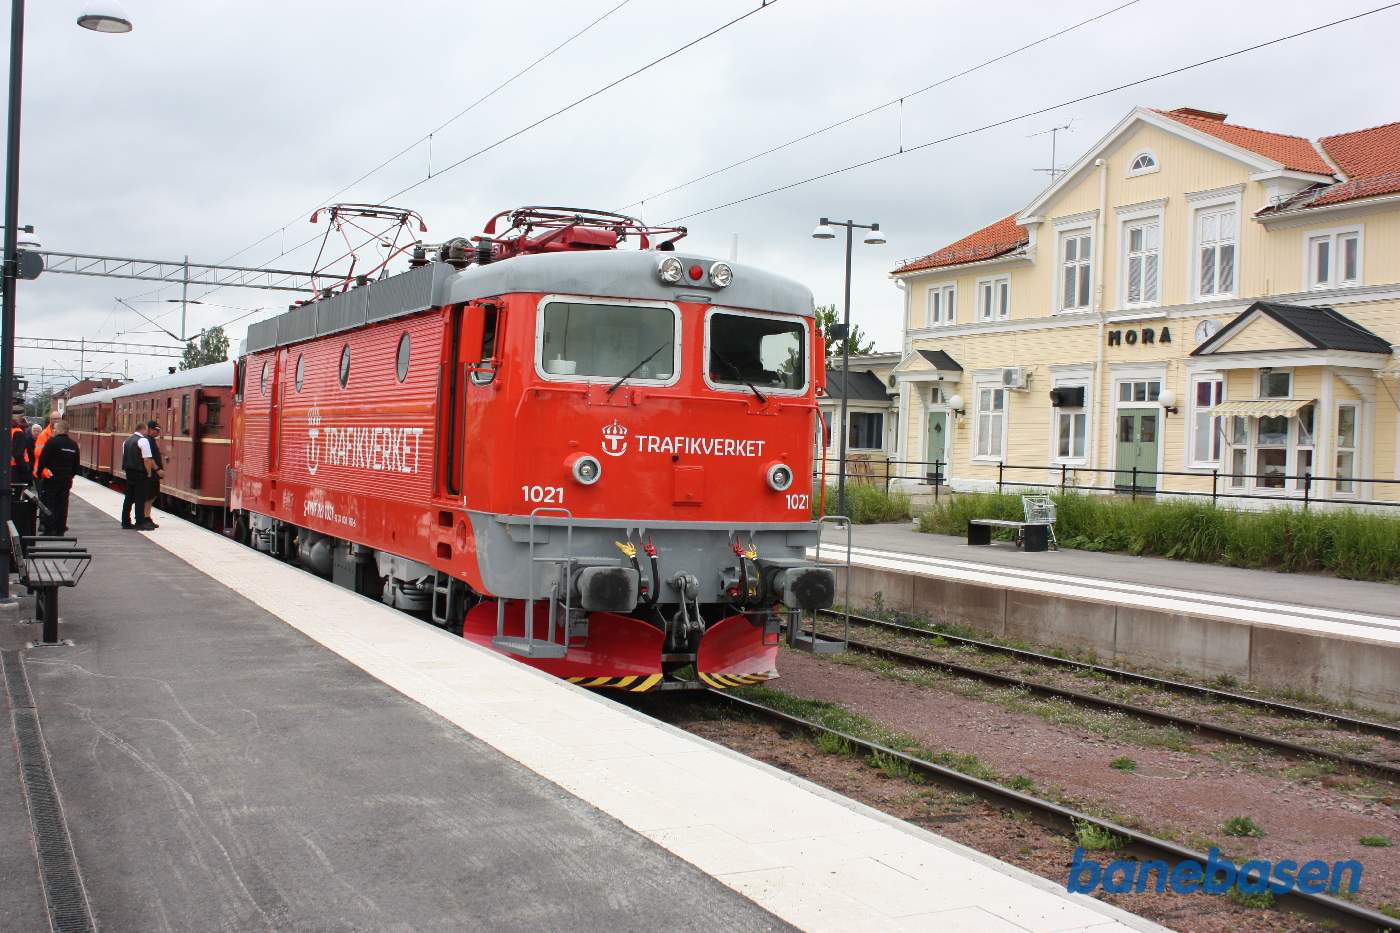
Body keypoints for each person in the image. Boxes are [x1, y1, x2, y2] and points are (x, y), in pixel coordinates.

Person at [35, 420, 79, 535]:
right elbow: (76, 465)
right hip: (66, 479)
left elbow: (42, 460)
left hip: (51, 478)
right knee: (63, 504)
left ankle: (50, 529)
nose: (53, 430)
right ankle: (60, 529)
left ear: (59, 429)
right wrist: (70, 475)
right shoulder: (73, 445)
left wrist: (40, 474)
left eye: (55, 428)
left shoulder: (52, 442)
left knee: (50, 502)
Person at [120, 422, 156, 530]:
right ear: (143, 430)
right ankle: (139, 522)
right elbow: (147, 459)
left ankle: (125, 522)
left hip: (129, 472)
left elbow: (125, 456)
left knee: (129, 498)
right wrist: (149, 472)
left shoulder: (126, 441)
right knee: (140, 498)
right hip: (140, 473)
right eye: (146, 430)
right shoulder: (143, 440)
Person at [143, 420, 164, 528]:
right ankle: (145, 518)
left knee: (152, 496)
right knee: (149, 496)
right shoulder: (148, 441)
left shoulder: (151, 440)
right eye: (156, 430)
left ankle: (147, 517)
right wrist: (157, 470)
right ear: (150, 430)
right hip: (151, 474)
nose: (158, 432)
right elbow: (149, 458)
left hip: (152, 474)